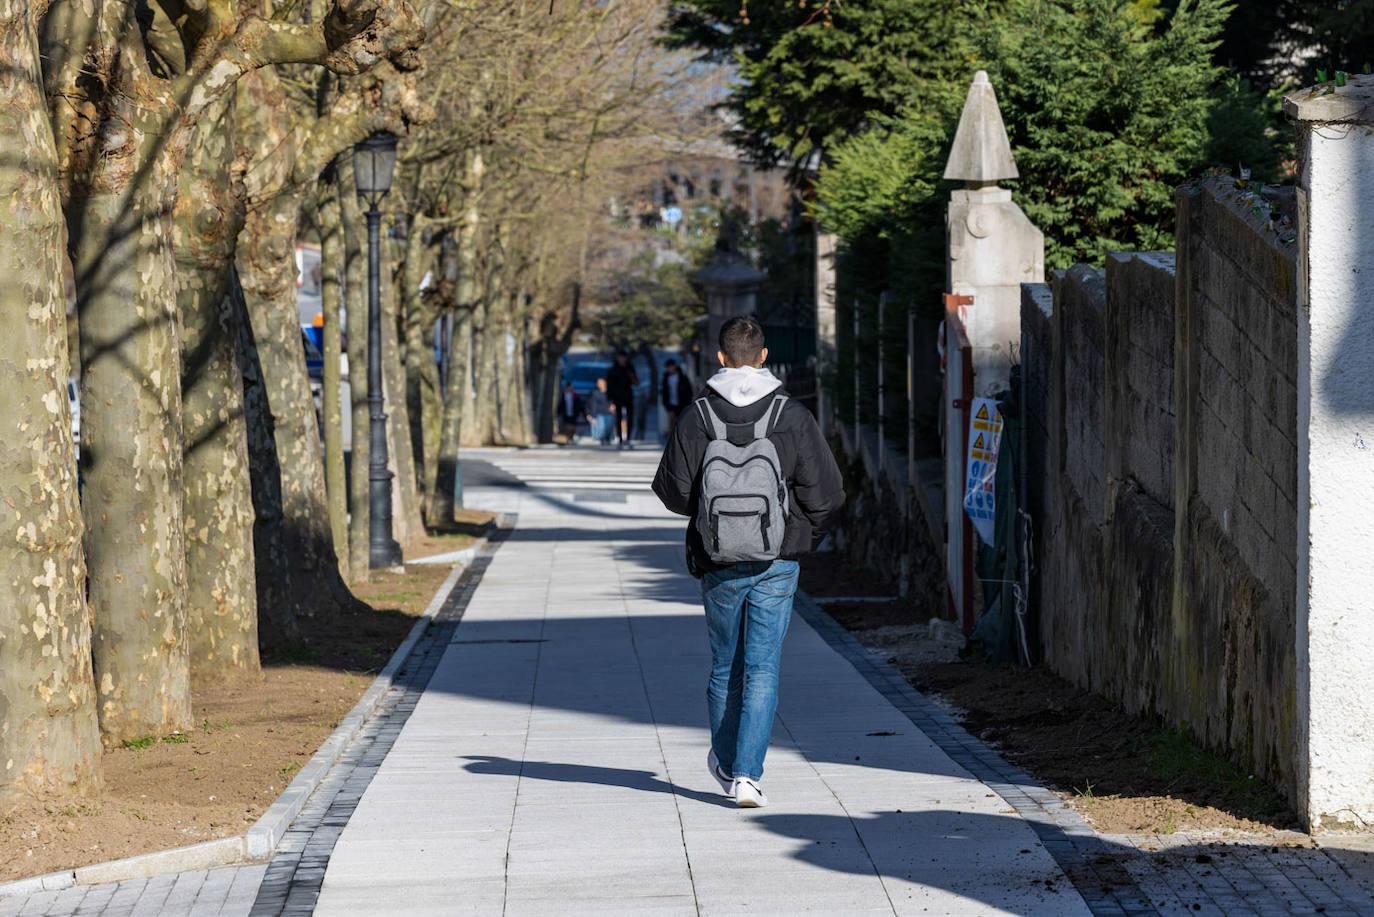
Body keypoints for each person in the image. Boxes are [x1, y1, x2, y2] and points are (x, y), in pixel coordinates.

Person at [651, 316, 844, 808]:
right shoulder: (792, 415)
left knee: (724, 667)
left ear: (720, 358)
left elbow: (672, 493)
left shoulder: (698, 415)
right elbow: (827, 494)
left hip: (717, 561)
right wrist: (798, 538)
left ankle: (724, 758)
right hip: (776, 560)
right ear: (763, 356)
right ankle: (748, 777)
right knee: (762, 667)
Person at [605, 349, 639, 450]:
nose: (622, 359)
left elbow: (636, 382)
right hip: (616, 397)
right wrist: (610, 400)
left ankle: (628, 439)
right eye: (620, 357)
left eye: (624, 357)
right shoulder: (612, 370)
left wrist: (632, 376)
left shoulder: (630, 368)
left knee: (630, 418)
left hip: (628, 396)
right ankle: (619, 439)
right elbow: (609, 386)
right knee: (617, 418)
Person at [660, 358, 692, 437]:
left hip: (682, 403)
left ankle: (680, 437)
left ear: (674, 366)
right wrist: (665, 403)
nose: (669, 369)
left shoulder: (682, 377)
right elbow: (664, 391)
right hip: (670, 403)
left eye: (670, 367)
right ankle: (671, 439)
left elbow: (688, 390)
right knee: (671, 422)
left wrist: (688, 402)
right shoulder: (666, 378)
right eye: (668, 367)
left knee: (681, 422)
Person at [585, 377, 615, 445]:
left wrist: (613, 405)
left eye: (600, 382)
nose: (599, 384)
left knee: (609, 427)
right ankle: (603, 440)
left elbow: (613, 401)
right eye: (598, 383)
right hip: (600, 414)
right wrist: (592, 415)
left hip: (609, 413)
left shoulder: (610, 392)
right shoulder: (595, 393)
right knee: (602, 428)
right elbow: (592, 405)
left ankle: (608, 439)